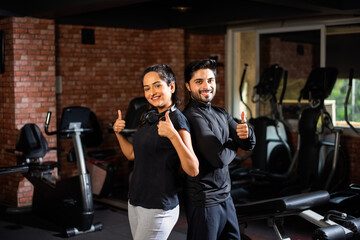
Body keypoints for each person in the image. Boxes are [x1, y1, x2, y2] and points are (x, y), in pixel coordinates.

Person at [113, 64, 199, 240]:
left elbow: (193, 169)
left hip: (159, 206)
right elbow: (132, 154)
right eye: (147, 88)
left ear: (172, 86)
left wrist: (173, 136)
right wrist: (118, 134)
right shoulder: (150, 118)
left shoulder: (178, 120)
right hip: (136, 201)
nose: (152, 92)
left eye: (157, 85)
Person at [183, 59, 256, 240]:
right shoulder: (191, 116)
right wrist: (234, 141)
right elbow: (219, 159)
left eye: (210, 80)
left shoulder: (220, 113)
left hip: (225, 197)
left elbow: (248, 144)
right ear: (188, 86)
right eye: (199, 82)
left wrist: (247, 132)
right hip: (204, 202)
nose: (207, 86)